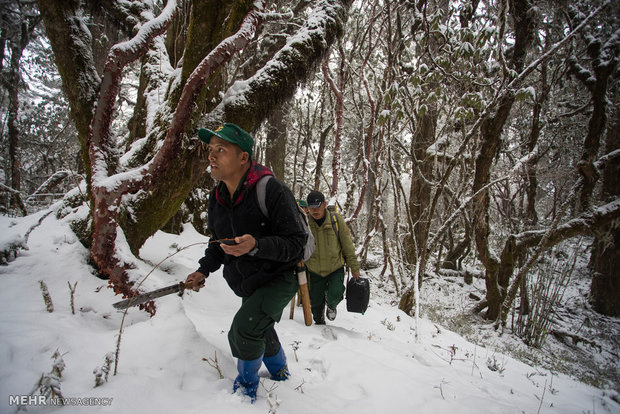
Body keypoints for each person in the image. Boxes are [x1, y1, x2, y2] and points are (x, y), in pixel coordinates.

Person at [183, 123, 306, 402]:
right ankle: (281, 373)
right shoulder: (217, 198)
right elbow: (218, 244)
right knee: (261, 327)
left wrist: (257, 245)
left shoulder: (272, 191)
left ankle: (245, 393)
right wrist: (203, 270)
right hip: (249, 281)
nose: (211, 156)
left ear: (243, 158)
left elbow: (296, 244)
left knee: (245, 330)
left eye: (221, 150)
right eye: (210, 149)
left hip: (280, 276)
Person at [305, 190, 360, 324]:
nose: (314, 211)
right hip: (314, 270)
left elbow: (347, 245)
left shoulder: (336, 220)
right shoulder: (305, 224)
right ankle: (319, 323)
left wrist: (354, 267)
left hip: (335, 267)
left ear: (324, 204)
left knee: (335, 294)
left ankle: (331, 306)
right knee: (315, 303)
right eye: (311, 208)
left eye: (317, 207)